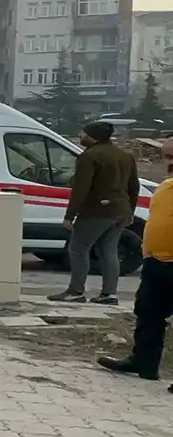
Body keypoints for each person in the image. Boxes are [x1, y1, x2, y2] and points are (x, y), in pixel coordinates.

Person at [97, 137, 173, 383]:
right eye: (167, 157)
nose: (169, 162)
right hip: (155, 262)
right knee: (148, 314)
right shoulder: (165, 187)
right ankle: (144, 363)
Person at [49, 121, 140, 305]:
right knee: (109, 251)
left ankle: (76, 291)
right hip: (120, 211)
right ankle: (109, 294)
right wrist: (130, 210)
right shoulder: (125, 156)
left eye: (83, 133)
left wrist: (70, 215)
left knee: (78, 249)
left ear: (93, 136)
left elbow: (81, 188)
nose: (81, 135)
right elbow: (134, 187)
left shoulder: (89, 157)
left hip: (96, 211)